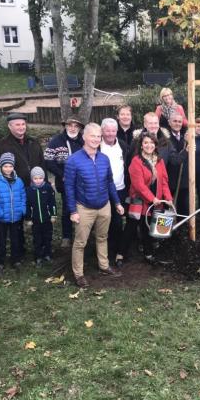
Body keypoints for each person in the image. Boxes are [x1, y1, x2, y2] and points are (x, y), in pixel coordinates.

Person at [64, 123, 125, 287]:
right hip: (83, 208)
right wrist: (72, 211)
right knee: (80, 242)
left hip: (104, 205)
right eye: (92, 136)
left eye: (98, 136)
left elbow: (110, 182)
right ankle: (79, 274)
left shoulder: (104, 159)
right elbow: (68, 188)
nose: (96, 139)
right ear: (84, 137)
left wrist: (117, 203)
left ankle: (104, 266)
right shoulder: (73, 160)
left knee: (102, 237)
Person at [123, 132, 173, 264]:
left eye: (151, 143)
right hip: (140, 202)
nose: (149, 145)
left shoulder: (159, 160)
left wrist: (168, 198)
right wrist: (152, 199)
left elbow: (164, 182)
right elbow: (139, 185)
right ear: (141, 145)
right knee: (131, 227)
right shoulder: (136, 161)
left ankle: (149, 253)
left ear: (155, 145)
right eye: (146, 143)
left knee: (152, 228)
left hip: (156, 202)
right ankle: (120, 254)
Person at [44, 114, 85, 248]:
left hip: (83, 183)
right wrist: (61, 175)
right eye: (70, 125)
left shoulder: (84, 141)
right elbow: (48, 161)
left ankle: (84, 234)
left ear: (79, 128)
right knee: (68, 209)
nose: (73, 128)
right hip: (65, 182)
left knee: (84, 208)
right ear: (65, 126)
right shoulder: (56, 141)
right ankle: (67, 236)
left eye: (76, 126)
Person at [0, 152, 26, 274]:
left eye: (10, 166)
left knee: (15, 240)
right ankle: (0, 262)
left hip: (16, 217)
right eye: (5, 166)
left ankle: (16, 260)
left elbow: (23, 195)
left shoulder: (18, 181)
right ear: (1, 167)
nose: (8, 169)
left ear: (13, 167)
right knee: (1, 241)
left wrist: (23, 209)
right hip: (2, 218)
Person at [100, 118, 130, 267]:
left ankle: (118, 251)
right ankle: (104, 251)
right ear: (102, 131)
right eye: (107, 130)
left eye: (113, 130)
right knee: (105, 221)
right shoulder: (97, 147)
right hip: (102, 191)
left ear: (116, 131)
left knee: (118, 221)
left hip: (120, 189)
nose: (110, 133)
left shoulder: (123, 146)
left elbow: (128, 167)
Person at [0, 113, 45, 186]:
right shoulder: (2, 145)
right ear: (9, 126)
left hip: (35, 186)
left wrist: (45, 184)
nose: (21, 127)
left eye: (23, 124)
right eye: (17, 125)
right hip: (15, 188)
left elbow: (42, 164)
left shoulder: (34, 142)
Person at [24, 166, 57, 266]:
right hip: (36, 220)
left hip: (47, 219)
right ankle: (38, 257)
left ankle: (47, 254)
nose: (38, 181)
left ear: (43, 178)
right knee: (37, 239)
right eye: (35, 178)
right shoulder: (29, 190)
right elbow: (27, 206)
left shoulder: (48, 188)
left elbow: (52, 203)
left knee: (47, 237)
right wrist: (28, 218)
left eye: (40, 178)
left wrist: (53, 215)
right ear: (32, 179)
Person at [167, 112, 190, 216]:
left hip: (183, 180)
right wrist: (186, 149)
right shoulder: (166, 138)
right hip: (170, 179)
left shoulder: (186, 137)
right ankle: (168, 230)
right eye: (175, 121)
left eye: (179, 121)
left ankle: (182, 228)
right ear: (169, 122)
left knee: (184, 206)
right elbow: (174, 159)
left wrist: (187, 142)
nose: (177, 124)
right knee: (169, 207)